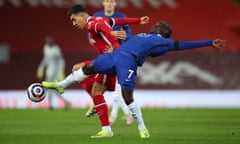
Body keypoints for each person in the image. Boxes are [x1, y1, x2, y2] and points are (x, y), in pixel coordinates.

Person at [42, 21, 225, 138]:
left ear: (164, 31)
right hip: (117, 55)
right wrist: (125, 33)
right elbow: (132, 41)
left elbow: (181, 45)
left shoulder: (163, 41)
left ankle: (142, 128)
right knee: (88, 68)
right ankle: (60, 86)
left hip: (127, 62)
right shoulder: (145, 36)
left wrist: (209, 42)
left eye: (159, 24)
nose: (155, 24)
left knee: (127, 96)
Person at [57, 4, 149, 138]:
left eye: (74, 20)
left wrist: (113, 39)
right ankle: (106, 111)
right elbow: (115, 23)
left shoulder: (94, 23)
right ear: (104, 3)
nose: (73, 23)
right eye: (107, 0)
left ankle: (110, 120)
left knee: (112, 94)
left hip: (113, 60)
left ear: (82, 16)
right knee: (88, 77)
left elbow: (105, 27)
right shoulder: (100, 18)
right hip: (109, 59)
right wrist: (138, 20)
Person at [84, 0, 134, 126]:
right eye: (107, 1)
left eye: (112, 1)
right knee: (114, 88)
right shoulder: (97, 15)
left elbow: (128, 35)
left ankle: (108, 112)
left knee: (116, 89)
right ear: (103, 3)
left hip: (118, 56)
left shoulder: (121, 17)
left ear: (115, 4)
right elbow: (90, 32)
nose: (110, 3)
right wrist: (91, 39)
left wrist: (118, 41)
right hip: (104, 56)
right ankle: (122, 114)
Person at [36, 35, 70, 110]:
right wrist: (41, 67)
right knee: (51, 89)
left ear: (52, 40)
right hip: (48, 71)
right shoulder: (45, 47)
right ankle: (65, 102)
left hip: (55, 71)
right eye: (47, 40)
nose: (48, 41)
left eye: (50, 40)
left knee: (49, 88)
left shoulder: (56, 49)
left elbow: (61, 60)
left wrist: (61, 72)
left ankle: (51, 105)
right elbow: (45, 59)